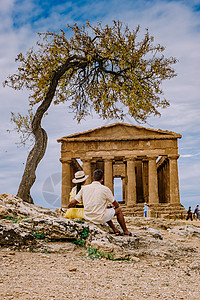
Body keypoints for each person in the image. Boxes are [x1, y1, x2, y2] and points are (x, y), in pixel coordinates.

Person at [68, 169, 133, 236]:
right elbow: (115, 204)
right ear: (102, 179)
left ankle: (115, 229)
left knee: (105, 211)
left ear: (93, 178)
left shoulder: (84, 189)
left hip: (87, 216)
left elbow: (73, 202)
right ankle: (126, 231)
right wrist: (115, 206)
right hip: (99, 217)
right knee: (118, 210)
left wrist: (68, 206)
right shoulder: (105, 189)